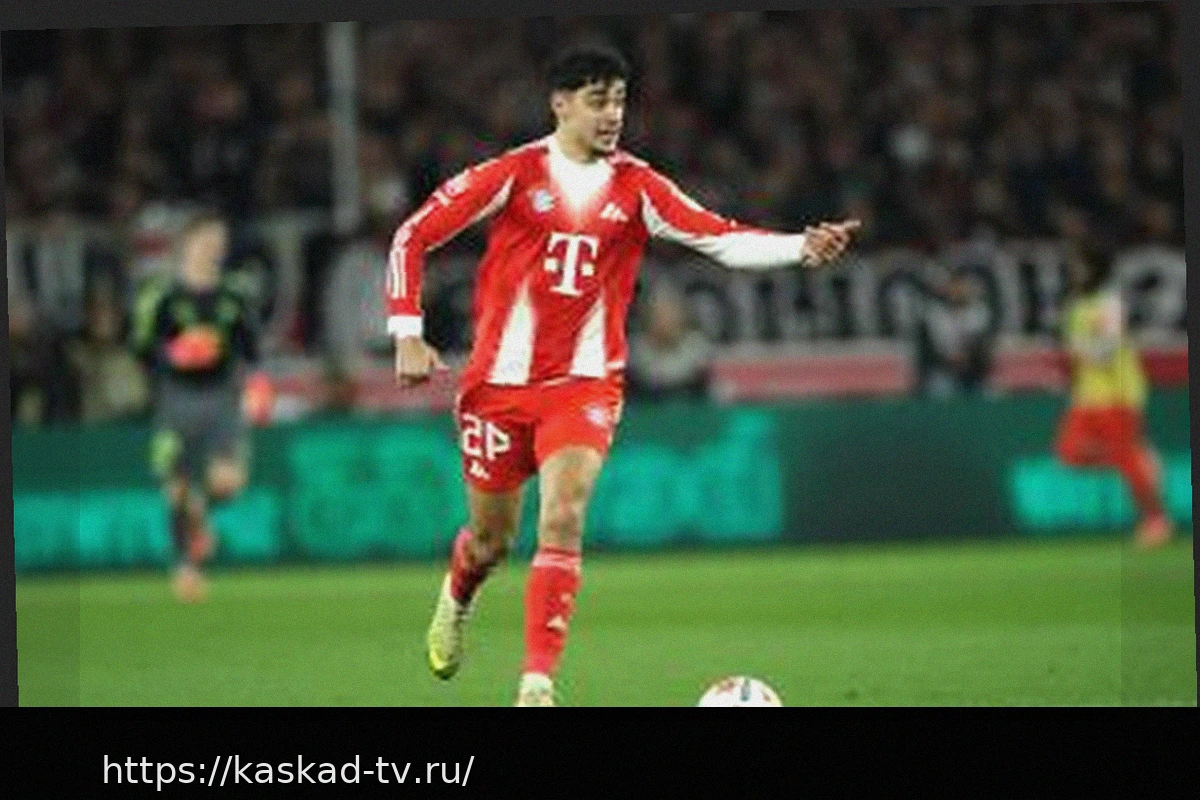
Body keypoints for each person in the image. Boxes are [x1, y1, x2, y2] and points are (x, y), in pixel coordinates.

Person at [386, 46, 859, 706]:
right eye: (597, 101)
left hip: (584, 385)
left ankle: (536, 684)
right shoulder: (513, 174)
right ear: (560, 104)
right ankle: (458, 594)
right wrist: (407, 333)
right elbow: (411, 236)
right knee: (491, 542)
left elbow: (718, 237)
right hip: (497, 387)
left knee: (564, 515)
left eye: (619, 101)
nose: (612, 115)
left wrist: (799, 247)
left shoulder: (639, 187)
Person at [131, 210, 274, 602]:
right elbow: (141, 347)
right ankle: (186, 569)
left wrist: (258, 385)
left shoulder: (235, 293)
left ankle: (200, 510)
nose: (214, 250)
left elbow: (252, 348)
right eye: (207, 242)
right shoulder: (161, 295)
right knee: (176, 489)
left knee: (229, 483)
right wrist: (174, 354)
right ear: (187, 245)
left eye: (219, 244)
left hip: (223, 395)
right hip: (175, 397)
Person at [1054, 236, 1172, 549]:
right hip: (1087, 394)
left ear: (1094, 267)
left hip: (1118, 392)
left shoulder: (1109, 303)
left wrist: (1079, 348)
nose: (1074, 270)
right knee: (1069, 453)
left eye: (1079, 264)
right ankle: (1142, 459)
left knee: (1125, 458)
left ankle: (1156, 520)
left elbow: (1105, 351)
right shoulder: (1076, 305)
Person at [914, 269, 995, 398]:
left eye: (960, 287)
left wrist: (967, 358)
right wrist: (948, 360)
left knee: (990, 392)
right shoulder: (934, 313)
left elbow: (982, 345)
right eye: (953, 287)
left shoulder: (979, 311)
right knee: (938, 389)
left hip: (973, 370)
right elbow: (927, 349)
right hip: (942, 370)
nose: (956, 291)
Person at [627, 282, 713, 402]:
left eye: (670, 315)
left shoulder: (698, 351)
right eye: (659, 316)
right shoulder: (635, 353)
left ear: (681, 317)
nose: (665, 322)